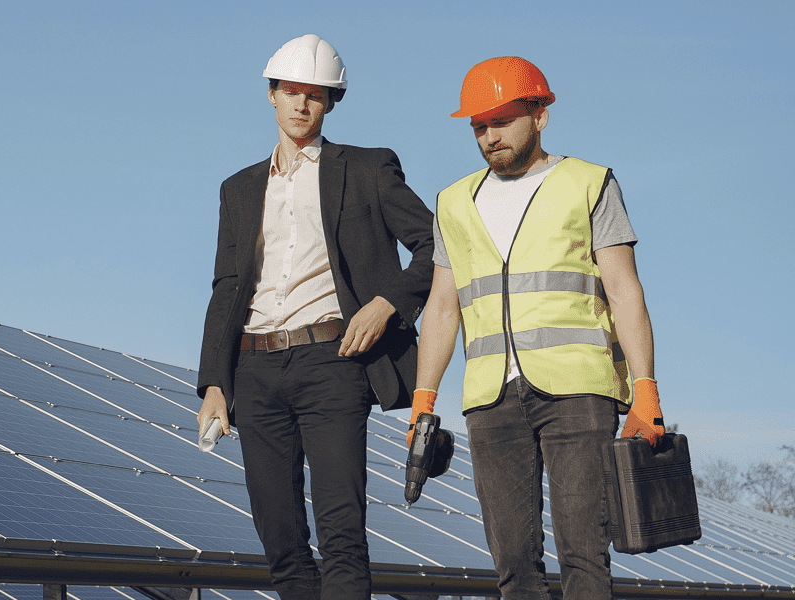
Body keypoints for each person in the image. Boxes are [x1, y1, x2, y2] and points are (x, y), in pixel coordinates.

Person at [195, 34, 435, 600]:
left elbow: (436, 245)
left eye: (316, 95)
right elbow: (226, 287)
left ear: (330, 104)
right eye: (292, 92)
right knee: (279, 539)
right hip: (254, 371)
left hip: (333, 362)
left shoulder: (370, 169)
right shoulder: (239, 188)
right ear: (272, 96)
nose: (302, 105)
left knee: (342, 535)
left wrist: (388, 304)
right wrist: (213, 382)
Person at [413, 56, 661, 600]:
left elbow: (624, 290)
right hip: (489, 397)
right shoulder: (452, 202)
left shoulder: (588, 183)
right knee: (514, 569)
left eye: (501, 120)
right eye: (479, 126)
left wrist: (645, 389)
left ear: (540, 114)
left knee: (584, 557)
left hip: (578, 391)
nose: (489, 136)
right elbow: (440, 308)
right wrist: (423, 400)